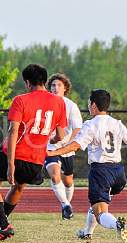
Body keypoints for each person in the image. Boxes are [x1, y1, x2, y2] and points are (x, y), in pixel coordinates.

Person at [46, 89, 127, 243]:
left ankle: (116, 224)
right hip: (118, 174)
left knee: (101, 213)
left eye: (89, 104)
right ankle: (87, 232)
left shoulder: (90, 124)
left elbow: (75, 145)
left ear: (94, 105)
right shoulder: (117, 123)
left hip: (101, 172)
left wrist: (53, 152)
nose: (89, 107)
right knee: (96, 203)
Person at [0, 64, 68, 241]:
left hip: (17, 154)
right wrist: (49, 140)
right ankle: (2, 221)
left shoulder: (20, 100)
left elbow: (13, 132)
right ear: (45, 81)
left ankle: (4, 224)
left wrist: (10, 164)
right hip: (37, 161)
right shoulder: (59, 102)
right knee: (19, 185)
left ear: (28, 83)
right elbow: (61, 135)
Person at [44, 73, 82, 220]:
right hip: (50, 148)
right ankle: (66, 205)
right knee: (54, 175)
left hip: (66, 149)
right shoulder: (45, 103)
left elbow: (77, 129)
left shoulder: (71, 105)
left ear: (65, 88)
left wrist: (68, 143)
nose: (55, 88)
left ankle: (66, 205)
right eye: (53, 85)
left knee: (68, 181)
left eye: (59, 85)